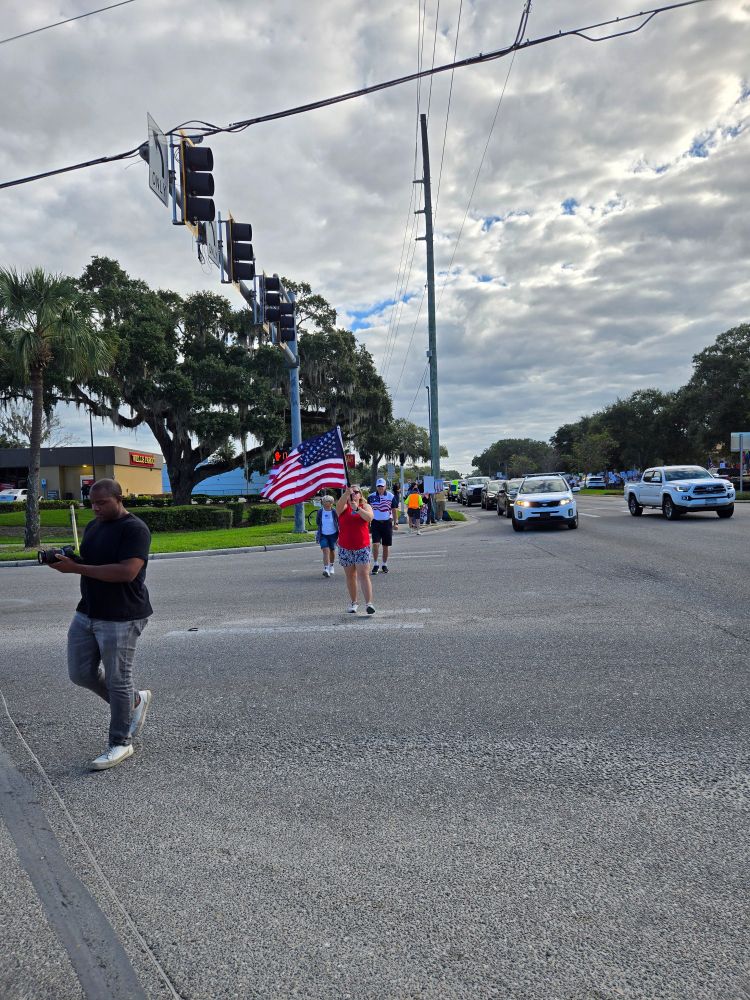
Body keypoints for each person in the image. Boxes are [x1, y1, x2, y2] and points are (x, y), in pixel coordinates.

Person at [48, 479, 152, 771]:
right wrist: (67, 560)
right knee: (80, 673)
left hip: (122, 615)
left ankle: (121, 742)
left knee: (118, 679)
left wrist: (77, 568)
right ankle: (133, 702)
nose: (95, 508)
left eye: (102, 502)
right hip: (88, 611)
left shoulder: (135, 529)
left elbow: (126, 572)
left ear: (119, 499)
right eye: (91, 503)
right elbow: (93, 563)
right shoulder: (94, 526)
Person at [335, 484, 375, 614]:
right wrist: (346, 494)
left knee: (363, 575)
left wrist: (357, 509)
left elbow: (369, 517)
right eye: (352, 492)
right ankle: (354, 602)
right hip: (345, 547)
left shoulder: (365, 506)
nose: (354, 494)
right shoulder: (344, 507)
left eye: (356, 492)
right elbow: (338, 508)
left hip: (361, 546)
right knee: (350, 575)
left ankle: (369, 603)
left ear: (360, 494)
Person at [368, 477, 395, 574]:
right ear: (376, 487)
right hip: (375, 523)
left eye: (382, 486)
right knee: (375, 544)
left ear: (385, 486)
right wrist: (367, 524)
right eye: (379, 486)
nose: (380, 488)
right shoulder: (371, 497)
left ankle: (384, 564)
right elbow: (368, 510)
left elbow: (394, 510)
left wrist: (395, 523)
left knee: (385, 546)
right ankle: (375, 564)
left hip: (387, 523)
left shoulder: (391, 496)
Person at [315, 495, 339, 577]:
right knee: (325, 550)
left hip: (333, 534)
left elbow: (338, 522)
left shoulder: (334, 511)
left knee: (332, 550)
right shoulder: (320, 511)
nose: (324, 502)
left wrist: (339, 535)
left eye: (327, 501)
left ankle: (331, 566)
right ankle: (326, 569)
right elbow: (318, 522)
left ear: (331, 503)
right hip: (323, 534)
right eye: (324, 501)